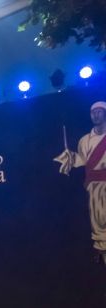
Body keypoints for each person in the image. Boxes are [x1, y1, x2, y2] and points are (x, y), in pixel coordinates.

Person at [55, 102, 106, 263]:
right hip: (94, 186)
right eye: (93, 113)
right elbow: (83, 160)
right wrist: (70, 158)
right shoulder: (85, 140)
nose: (96, 115)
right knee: (98, 219)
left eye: (99, 112)